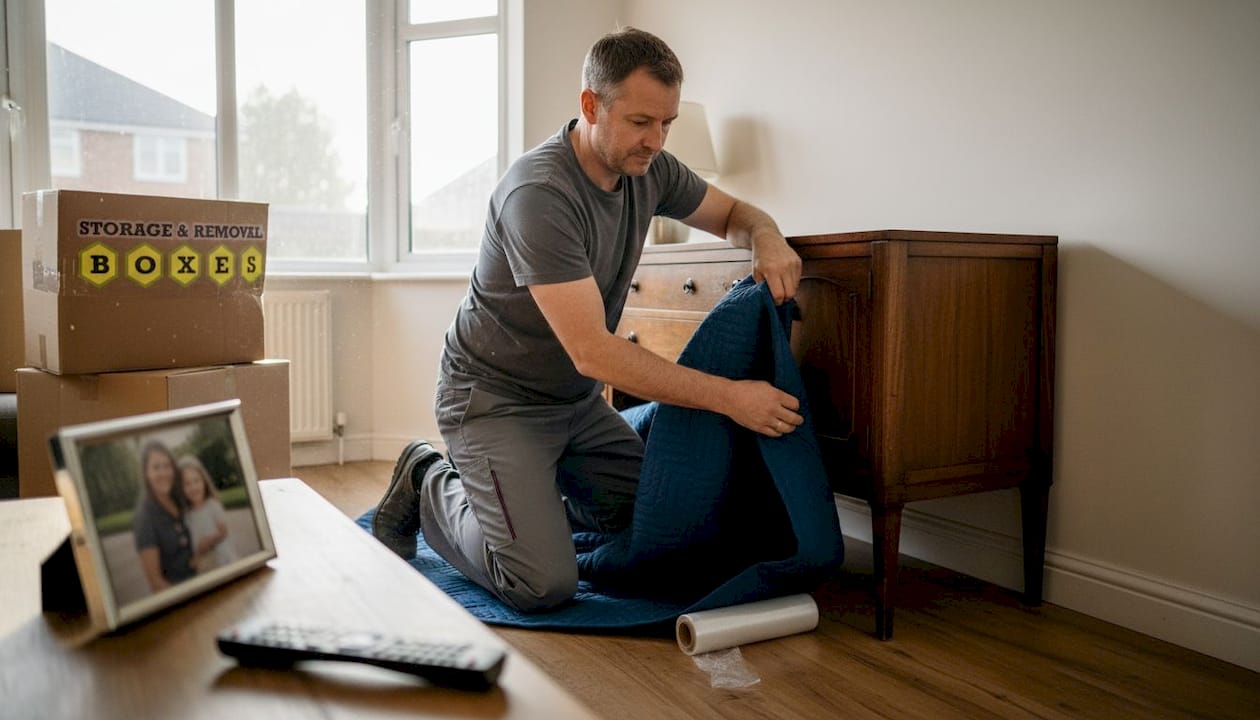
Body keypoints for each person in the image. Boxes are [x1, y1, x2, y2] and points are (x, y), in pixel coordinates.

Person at [373, 27, 804, 612]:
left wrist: (767, 235)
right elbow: (594, 353)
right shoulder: (539, 194)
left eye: (667, 123)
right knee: (541, 582)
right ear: (589, 105)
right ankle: (429, 480)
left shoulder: (651, 168)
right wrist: (731, 397)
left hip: (573, 405)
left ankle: (529, 496)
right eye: (640, 122)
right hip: (493, 399)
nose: (655, 140)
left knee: (667, 521)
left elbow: (732, 212)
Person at [133, 440, 195, 592]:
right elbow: (156, 583)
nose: (163, 473)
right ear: (146, 473)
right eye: (156, 467)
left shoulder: (177, 497)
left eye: (167, 466)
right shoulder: (144, 518)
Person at [178, 455, 238, 573]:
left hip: (223, 560)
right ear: (181, 488)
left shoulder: (212, 506)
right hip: (206, 564)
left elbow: (223, 531)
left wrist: (208, 541)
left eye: (196, 481)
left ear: (204, 481)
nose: (193, 487)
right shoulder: (187, 515)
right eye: (187, 484)